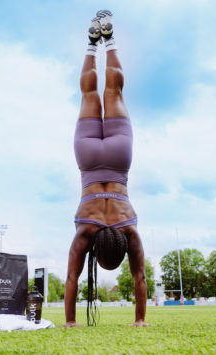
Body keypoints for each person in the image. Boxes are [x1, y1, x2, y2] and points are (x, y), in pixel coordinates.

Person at [63, 10, 149, 328]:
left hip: (117, 157)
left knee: (114, 93)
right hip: (88, 158)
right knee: (88, 95)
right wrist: (70, 323)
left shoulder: (129, 230)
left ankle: (107, 39)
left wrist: (141, 319)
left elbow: (139, 276)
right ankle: (91, 41)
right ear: (96, 251)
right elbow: (72, 276)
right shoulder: (86, 230)